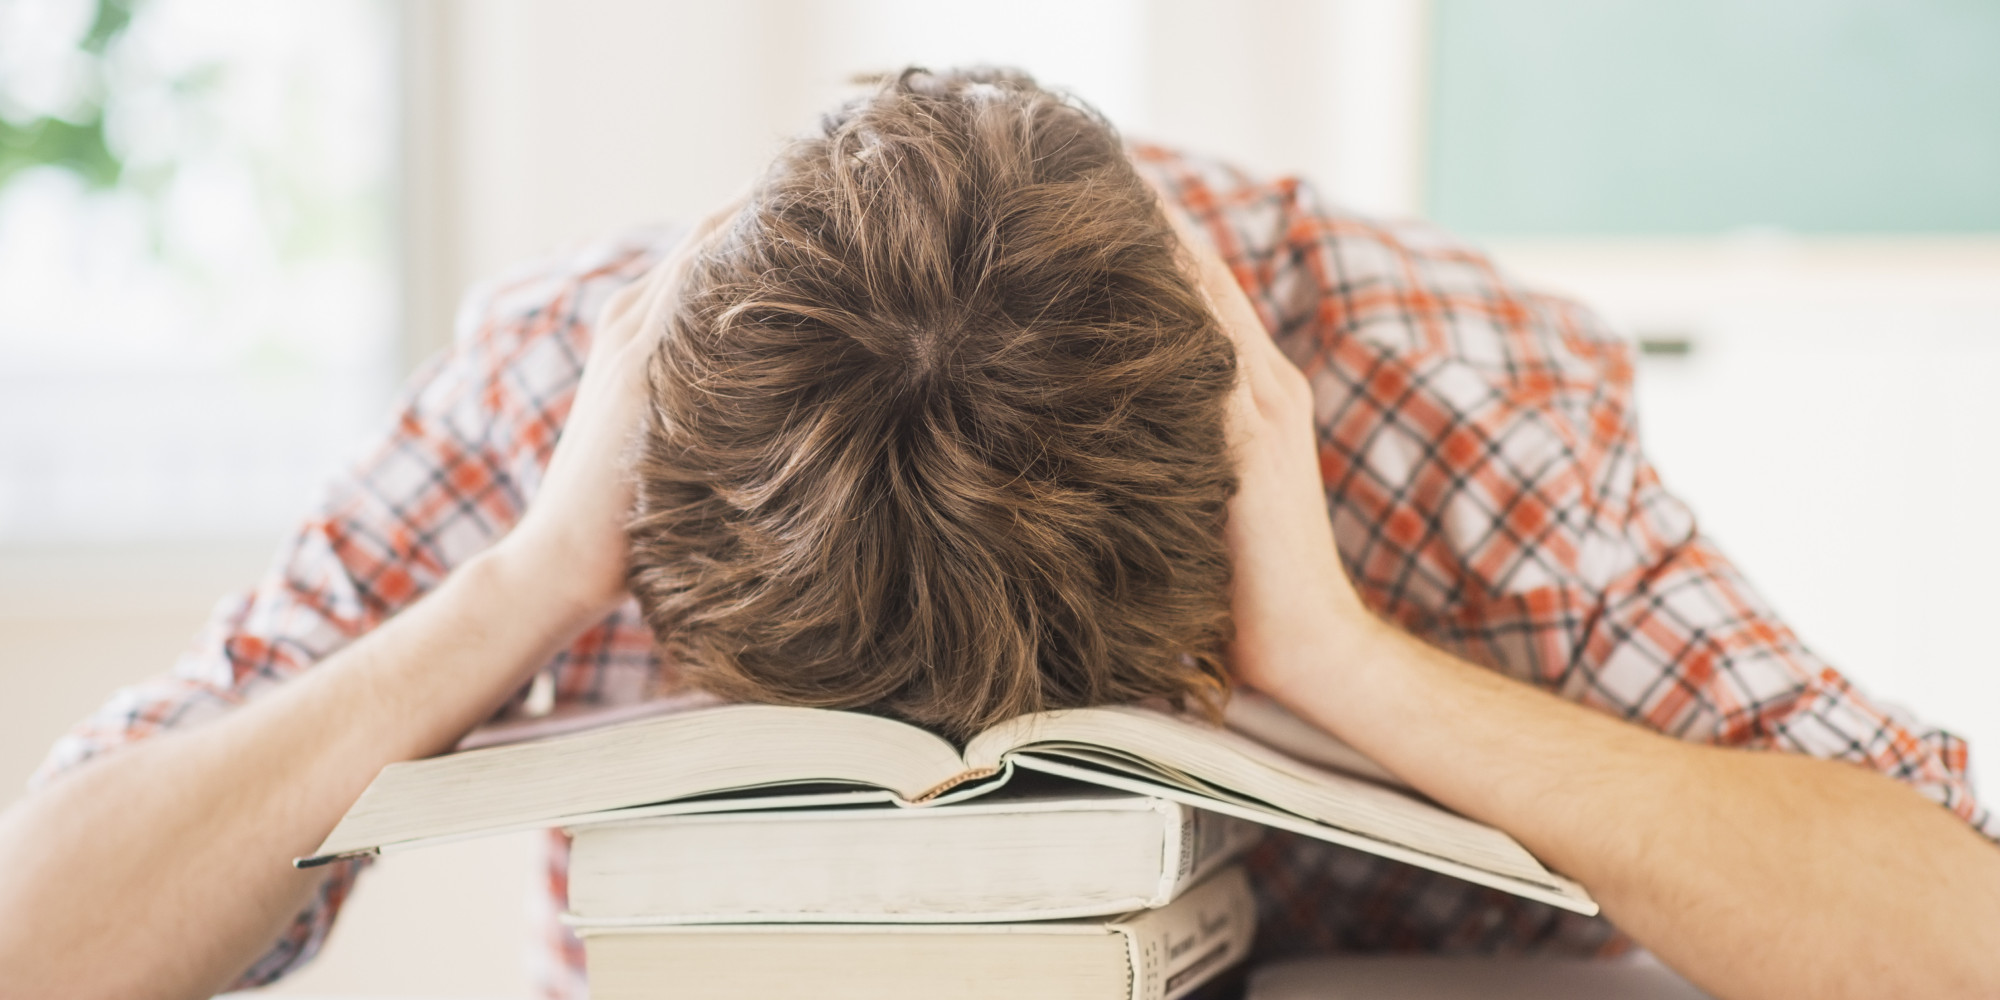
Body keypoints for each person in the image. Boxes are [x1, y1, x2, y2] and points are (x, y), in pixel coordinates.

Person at [1, 67, 1995, 1000]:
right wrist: (522, 584)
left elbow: (1951, 932)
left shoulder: (1430, 392)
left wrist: (1349, 664)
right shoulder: (571, 392)